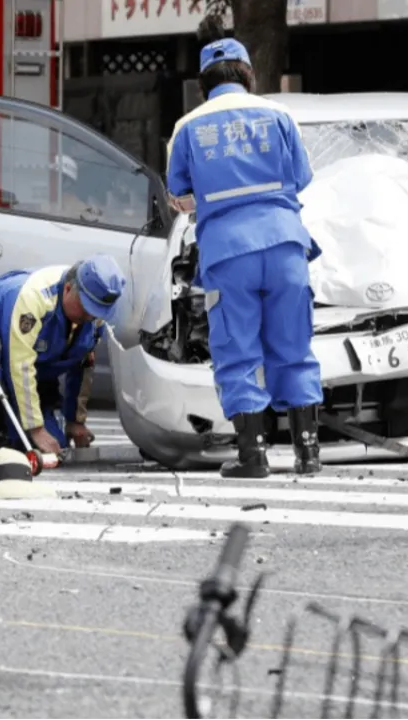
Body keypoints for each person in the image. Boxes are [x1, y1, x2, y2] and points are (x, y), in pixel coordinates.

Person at [164, 38, 323, 479]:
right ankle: (308, 453)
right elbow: (302, 179)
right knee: (294, 345)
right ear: (248, 75)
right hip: (286, 245)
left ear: (204, 84)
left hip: (228, 252)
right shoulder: (279, 116)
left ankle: (253, 456)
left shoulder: (188, 127)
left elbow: (179, 194)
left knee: (237, 350)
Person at [0, 256, 127, 466]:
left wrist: (75, 421)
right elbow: (20, 365)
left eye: (98, 311)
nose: (91, 316)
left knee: (54, 447)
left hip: (7, 371)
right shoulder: (33, 296)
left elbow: (82, 364)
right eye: (87, 308)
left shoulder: (92, 317)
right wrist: (36, 428)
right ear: (67, 289)